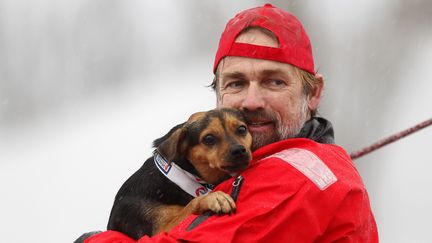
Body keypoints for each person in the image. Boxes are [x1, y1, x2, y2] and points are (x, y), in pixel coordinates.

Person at [82, 4, 378, 242]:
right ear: (217, 95)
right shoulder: (304, 168)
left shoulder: (293, 178)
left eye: (273, 81)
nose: (251, 101)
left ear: (312, 93)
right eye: (236, 84)